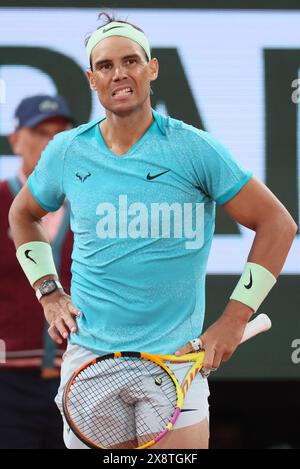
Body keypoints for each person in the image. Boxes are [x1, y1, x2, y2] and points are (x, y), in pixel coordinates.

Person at [8, 13, 297, 450]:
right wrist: (48, 292)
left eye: (130, 61)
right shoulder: (67, 151)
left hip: (175, 362)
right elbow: (22, 215)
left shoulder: (194, 148)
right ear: (91, 78)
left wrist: (235, 320)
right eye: (105, 66)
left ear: (152, 68)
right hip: (91, 362)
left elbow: (278, 223)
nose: (119, 74)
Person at [0, 95, 74, 449]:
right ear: (15, 140)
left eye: (61, 134)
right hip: (6, 382)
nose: (51, 142)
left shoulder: (98, 208)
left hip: (82, 377)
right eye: (41, 132)